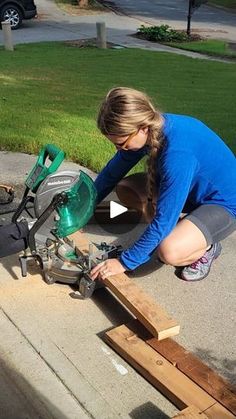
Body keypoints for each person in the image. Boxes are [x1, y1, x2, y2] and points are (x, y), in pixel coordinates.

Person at [90, 87, 236, 282]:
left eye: (123, 144)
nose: (119, 149)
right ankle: (190, 228)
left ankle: (207, 248)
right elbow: (110, 174)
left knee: (169, 250)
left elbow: (164, 221)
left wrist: (124, 262)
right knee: (128, 189)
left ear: (142, 128)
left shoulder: (178, 155)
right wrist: (83, 206)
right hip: (192, 190)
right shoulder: (151, 126)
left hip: (224, 204)